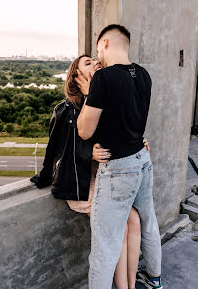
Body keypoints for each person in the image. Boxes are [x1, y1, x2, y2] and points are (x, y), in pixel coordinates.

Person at [30, 54, 142, 289]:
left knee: (134, 219)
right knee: (118, 229)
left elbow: (116, 131)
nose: (96, 63)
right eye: (88, 63)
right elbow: (58, 148)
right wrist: (86, 153)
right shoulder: (65, 109)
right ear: (76, 77)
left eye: (96, 61)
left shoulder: (102, 101)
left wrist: (138, 142)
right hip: (81, 184)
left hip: (103, 177)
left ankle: (131, 283)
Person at [77, 24, 163, 289]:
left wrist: (90, 93)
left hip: (118, 169)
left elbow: (84, 130)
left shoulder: (104, 79)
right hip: (142, 160)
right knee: (149, 222)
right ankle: (155, 278)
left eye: (97, 47)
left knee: (104, 247)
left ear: (104, 43)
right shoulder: (145, 75)